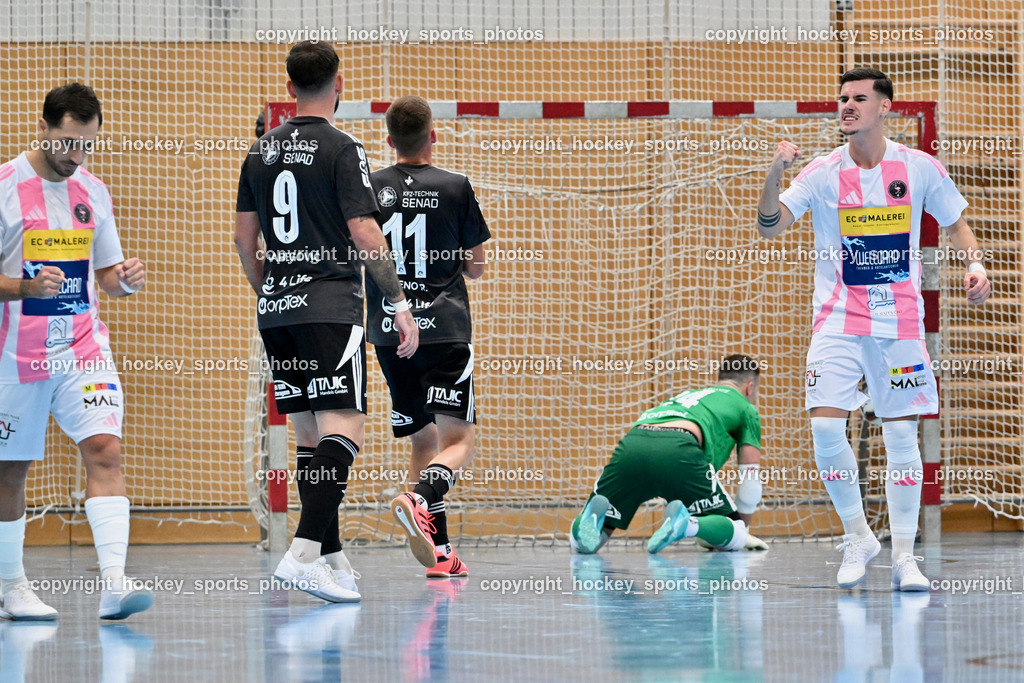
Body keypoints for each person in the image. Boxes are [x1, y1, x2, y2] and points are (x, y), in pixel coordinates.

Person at [756, 67, 991, 590]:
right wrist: (774, 173)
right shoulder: (820, 172)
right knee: (823, 429)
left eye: (859, 98)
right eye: (842, 98)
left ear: (885, 107)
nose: (847, 105)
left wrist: (975, 264)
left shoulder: (919, 167)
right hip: (837, 321)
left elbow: (955, 223)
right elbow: (769, 227)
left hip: (899, 324)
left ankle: (905, 556)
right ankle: (859, 535)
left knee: (901, 434)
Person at [235, 41, 419, 602]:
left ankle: (331, 557)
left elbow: (245, 241)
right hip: (331, 307)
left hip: (278, 311)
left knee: (312, 437)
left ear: (290, 89)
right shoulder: (345, 148)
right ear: (338, 83)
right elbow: (365, 233)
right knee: (346, 426)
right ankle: (302, 552)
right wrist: (399, 302)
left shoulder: (259, 152)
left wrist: (270, 293)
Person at [0, 83, 152, 620]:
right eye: (66, 142)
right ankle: (12, 585)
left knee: (105, 448)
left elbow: (106, 275)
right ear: (42, 129)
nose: (74, 155)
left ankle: (114, 583)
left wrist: (125, 279)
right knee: (11, 469)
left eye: (86, 144)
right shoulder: (4, 188)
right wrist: (22, 288)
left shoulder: (93, 190)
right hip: (14, 355)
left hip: (81, 347)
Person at [366, 96, 490, 577]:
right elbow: (477, 266)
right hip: (444, 328)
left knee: (423, 440)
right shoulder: (456, 186)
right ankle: (421, 496)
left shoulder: (371, 187)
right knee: (459, 440)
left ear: (390, 140)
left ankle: (439, 554)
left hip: (390, 331)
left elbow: (361, 249)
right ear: (432, 136)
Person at [570, 355, 769, 555]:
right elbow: (749, 479)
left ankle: (589, 522)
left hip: (634, 442)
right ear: (749, 388)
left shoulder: (687, 396)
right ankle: (688, 524)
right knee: (735, 534)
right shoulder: (745, 407)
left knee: (589, 541)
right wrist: (743, 530)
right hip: (679, 448)